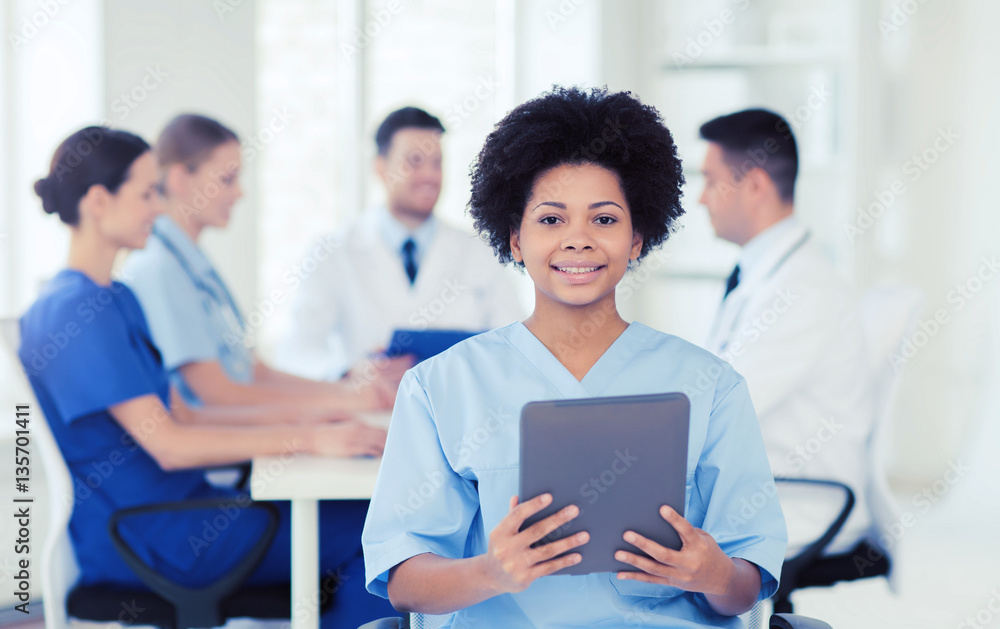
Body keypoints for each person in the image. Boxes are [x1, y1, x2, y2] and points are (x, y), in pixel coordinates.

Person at [361, 87, 786, 628]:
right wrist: (492, 572)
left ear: (637, 238)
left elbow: (745, 585)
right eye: (551, 220)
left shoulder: (712, 386)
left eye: (605, 220)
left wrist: (713, 574)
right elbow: (403, 583)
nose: (579, 240)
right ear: (514, 238)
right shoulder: (440, 387)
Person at [19, 126, 396, 627]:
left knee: (371, 522)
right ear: (97, 201)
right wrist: (310, 437)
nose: (159, 206)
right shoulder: (74, 311)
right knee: (385, 530)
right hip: (157, 539)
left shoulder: (115, 298)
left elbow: (183, 414)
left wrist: (318, 433)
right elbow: (170, 444)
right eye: (146, 193)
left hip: (184, 515)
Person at [121, 114, 400, 411]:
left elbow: (254, 372)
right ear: (179, 179)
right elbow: (216, 394)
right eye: (227, 179)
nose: (240, 192)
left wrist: (346, 391)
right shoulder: (160, 268)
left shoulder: (193, 265)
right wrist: (339, 403)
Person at [698, 108, 873, 557]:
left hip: (799, 502)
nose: (701, 199)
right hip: (763, 486)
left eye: (710, 180)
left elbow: (723, 412)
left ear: (754, 186)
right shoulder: (764, 275)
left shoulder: (802, 290)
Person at [274, 106, 524, 382]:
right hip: (371, 415)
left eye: (437, 163)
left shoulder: (478, 251)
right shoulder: (334, 251)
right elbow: (297, 352)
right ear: (380, 168)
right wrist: (347, 371)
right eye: (414, 161)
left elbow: (513, 345)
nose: (429, 175)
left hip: (459, 414)